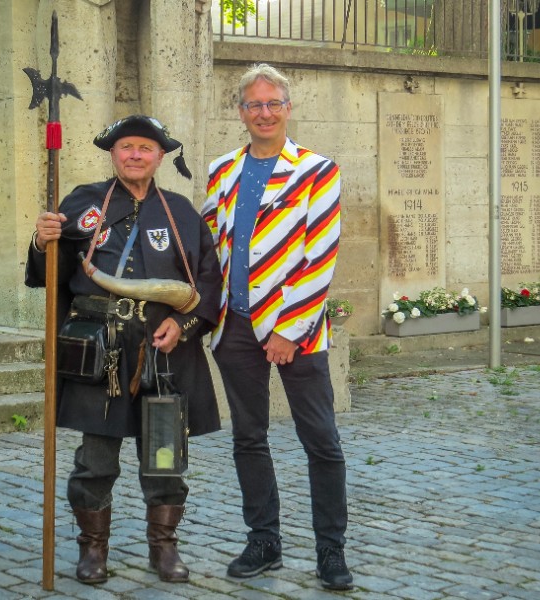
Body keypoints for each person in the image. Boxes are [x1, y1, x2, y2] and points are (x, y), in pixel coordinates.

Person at [25, 115, 222, 585]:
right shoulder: (83, 203)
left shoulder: (180, 213)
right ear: (113, 154)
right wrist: (40, 240)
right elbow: (45, 272)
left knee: (164, 457)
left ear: (159, 157)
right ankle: (92, 550)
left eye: (145, 148)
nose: (135, 154)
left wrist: (182, 323)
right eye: (126, 147)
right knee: (95, 459)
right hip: (102, 353)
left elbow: (210, 283)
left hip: (164, 353)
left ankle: (164, 548)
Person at [200, 63, 353, 590]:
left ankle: (331, 551)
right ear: (240, 112)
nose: (264, 113)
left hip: (298, 327)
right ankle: (263, 541)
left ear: (287, 108)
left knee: (322, 440)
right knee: (249, 436)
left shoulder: (317, 170)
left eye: (273, 103)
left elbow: (320, 257)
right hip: (235, 325)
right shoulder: (222, 170)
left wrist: (288, 329)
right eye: (253, 104)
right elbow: (204, 241)